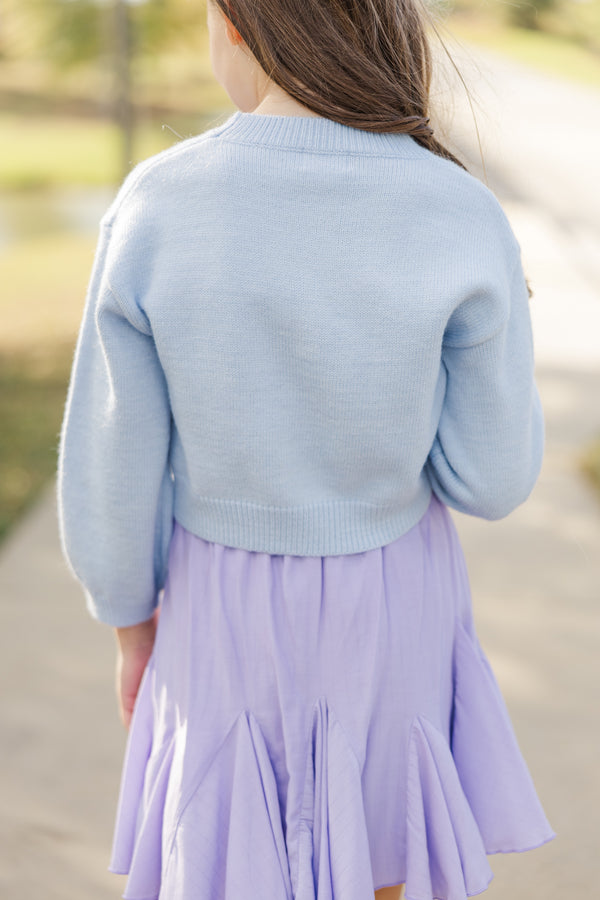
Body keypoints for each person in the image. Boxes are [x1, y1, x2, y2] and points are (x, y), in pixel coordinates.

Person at [56, 0, 556, 898]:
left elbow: (112, 465)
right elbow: (490, 477)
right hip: (395, 607)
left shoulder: (158, 202)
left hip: (221, 616)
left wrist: (130, 623)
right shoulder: (459, 207)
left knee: (224, 862)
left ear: (235, 24)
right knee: (383, 864)